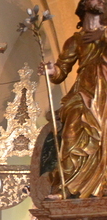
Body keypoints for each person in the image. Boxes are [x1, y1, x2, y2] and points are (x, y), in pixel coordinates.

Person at [45, 0, 107, 198]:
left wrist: (103, 35)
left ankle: (103, 185)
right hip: (85, 91)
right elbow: (62, 70)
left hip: (105, 92)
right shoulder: (75, 41)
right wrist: (52, 70)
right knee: (71, 134)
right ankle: (68, 187)